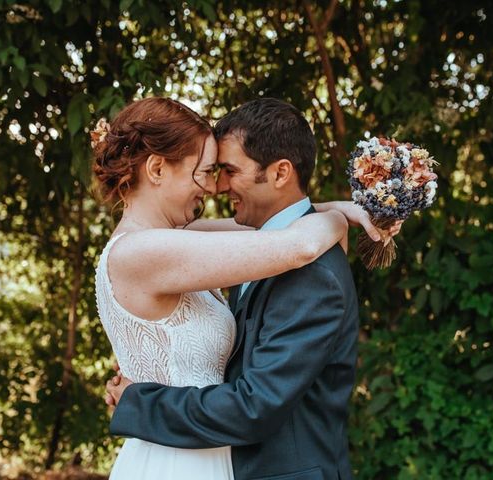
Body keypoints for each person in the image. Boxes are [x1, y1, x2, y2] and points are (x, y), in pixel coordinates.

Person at [103, 98, 401, 480]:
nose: (214, 187)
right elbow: (294, 243)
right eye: (207, 171)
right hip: (182, 460)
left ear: (279, 173)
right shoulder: (154, 249)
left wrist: (136, 404)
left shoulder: (307, 272)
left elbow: (257, 404)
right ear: (157, 168)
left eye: (225, 170)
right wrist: (336, 217)